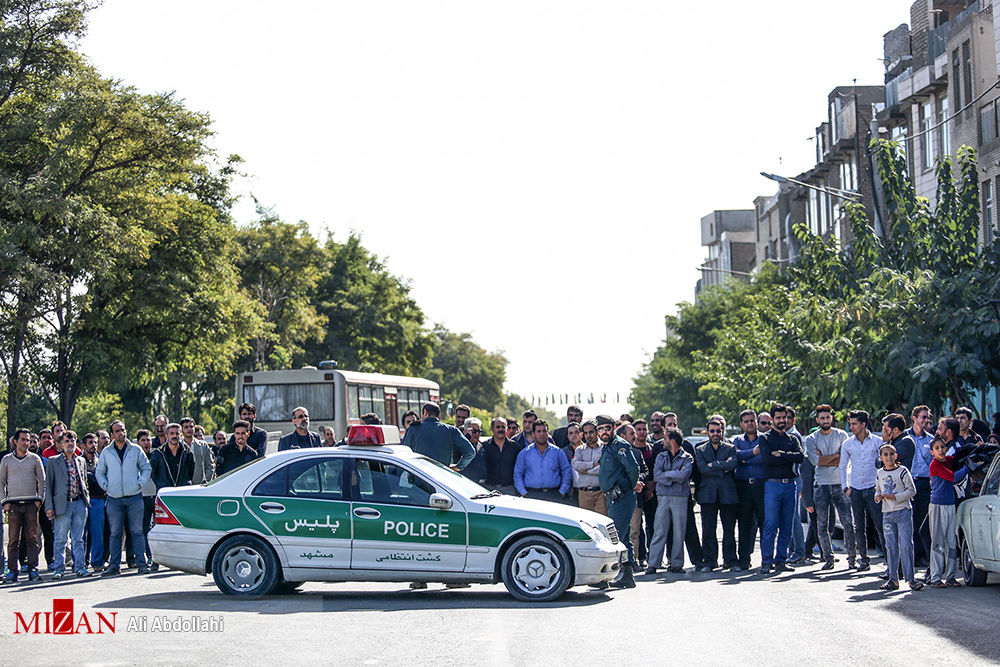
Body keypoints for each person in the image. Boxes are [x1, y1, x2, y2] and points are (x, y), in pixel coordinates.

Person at [804, 404, 857, 570]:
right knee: (822, 525)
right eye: (822, 418)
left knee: (848, 523)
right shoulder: (812, 439)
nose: (825, 420)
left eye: (827, 417)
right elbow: (815, 461)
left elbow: (845, 459)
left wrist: (825, 458)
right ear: (817, 420)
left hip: (840, 484)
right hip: (821, 485)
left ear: (832, 418)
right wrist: (835, 457)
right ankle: (828, 559)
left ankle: (852, 558)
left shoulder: (842, 435)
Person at [96, 420, 152, 577]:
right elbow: (99, 472)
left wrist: (140, 483)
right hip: (114, 498)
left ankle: (141, 564)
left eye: (123, 430)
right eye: (118, 431)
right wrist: (106, 486)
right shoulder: (106, 452)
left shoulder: (135, 449)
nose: (121, 433)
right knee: (115, 533)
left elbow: (146, 468)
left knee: (137, 531)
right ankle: (114, 566)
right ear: (112, 434)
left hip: (134, 497)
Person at [758, 403, 804, 575]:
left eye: (784, 417)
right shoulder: (765, 438)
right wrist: (784, 457)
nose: (782, 420)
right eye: (778, 418)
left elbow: (800, 457)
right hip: (773, 484)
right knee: (770, 524)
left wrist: (782, 454)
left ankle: (781, 560)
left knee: (787, 525)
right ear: (772, 420)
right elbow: (767, 460)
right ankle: (766, 561)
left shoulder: (793, 439)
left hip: (790, 485)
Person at [598, 414, 641, 588]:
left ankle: (605, 577)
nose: (604, 432)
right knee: (623, 536)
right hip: (612, 497)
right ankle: (628, 575)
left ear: (613, 428)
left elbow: (633, 468)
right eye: (600, 429)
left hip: (622, 496)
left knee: (612, 536)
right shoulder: (606, 447)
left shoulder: (620, 445)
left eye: (607, 428)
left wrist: (628, 487)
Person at [839, 409, 884, 573]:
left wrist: (881, 488)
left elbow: (884, 464)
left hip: (873, 488)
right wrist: (845, 486)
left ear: (863, 424)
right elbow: (842, 466)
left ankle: (888, 559)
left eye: (854, 424)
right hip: (856, 488)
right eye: (850, 424)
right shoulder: (848, 443)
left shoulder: (877, 442)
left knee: (880, 524)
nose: (851, 427)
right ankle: (863, 559)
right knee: (859, 526)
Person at [44, 430, 91, 580]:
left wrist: (86, 500)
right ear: (61, 444)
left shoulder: (81, 460)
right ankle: (59, 568)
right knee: (60, 539)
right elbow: (49, 486)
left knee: (79, 539)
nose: (70, 444)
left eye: (72, 441)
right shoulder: (53, 461)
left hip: (79, 503)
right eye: (66, 442)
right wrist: (49, 506)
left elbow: (84, 481)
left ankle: (80, 567)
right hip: (62, 505)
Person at [647, 428, 694, 575]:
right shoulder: (661, 456)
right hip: (663, 497)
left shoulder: (687, 457)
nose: (663, 441)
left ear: (673, 441)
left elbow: (684, 475)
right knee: (659, 530)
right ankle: (653, 563)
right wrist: (673, 477)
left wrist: (667, 476)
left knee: (679, 531)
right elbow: (657, 475)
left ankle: (677, 563)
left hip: (680, 498)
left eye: (666, 438)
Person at [694, 418, 739, 572]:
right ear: (707, 432)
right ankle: (710, 560)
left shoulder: (731, 448)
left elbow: (732, 465)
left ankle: (730, 560)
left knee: (729, 529)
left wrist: (713, 464)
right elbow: (702, 469)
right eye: (712, 431)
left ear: (722, 431)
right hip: (707, 494)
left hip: (728, 493)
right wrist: (722, 466)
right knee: (708, 529)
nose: (715, 434)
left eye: (718, 431)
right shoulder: (700, 449)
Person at [874, 443, 920, 591]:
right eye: (885, 455)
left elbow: (911, 490)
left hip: (903, 510)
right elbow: (877, 488)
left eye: (891, 454)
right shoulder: (879, 473)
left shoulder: (902, 471)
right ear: (881, 458)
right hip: (887, 514)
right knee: (891, 546)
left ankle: (910, 578)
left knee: (906, 545)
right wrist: (878, 497)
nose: (888, 457)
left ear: (896, 456)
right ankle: (893, 579)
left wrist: (894, 497)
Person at [660, 412, 704, 568]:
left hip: (684, 494)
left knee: (689, 527)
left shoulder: (687, 446)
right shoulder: (660, 446)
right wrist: (672, 476)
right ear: (663, 426)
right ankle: (672, 559)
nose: (671, 426)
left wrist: (696, 490)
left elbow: (692, 471)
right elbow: (657, 473)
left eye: (674, 424)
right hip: (665, 494)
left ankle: (698, 560)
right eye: (668, 424)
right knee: (669, 529)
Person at [1, 428, 45, 582]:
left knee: (32, 537)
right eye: (23, 440)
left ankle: (33, 568)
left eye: (28, 440)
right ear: (15, 442)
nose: (26, 443)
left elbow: (42, 480)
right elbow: (1, 482)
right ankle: (13, 570)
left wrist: (39, 499)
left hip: (31, 504)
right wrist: (4, 501)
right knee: (13, 539)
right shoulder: (6, 460)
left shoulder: (35, 459)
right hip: (13, 505)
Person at [927, 430, 968, 588]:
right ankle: (936, 577)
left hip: (950, 504)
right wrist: (968, 468)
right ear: (932, 452)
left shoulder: (947, 460)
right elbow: (952, 477)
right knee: (938, 542)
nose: (941, 450)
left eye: (943, 447)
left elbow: (958, 457)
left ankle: (950, 576)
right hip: (938, 506)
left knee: (951, 540)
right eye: (937, 448)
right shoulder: (935, 465)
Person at [733, 409, 766, 571]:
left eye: (752, 420)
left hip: (762, 486)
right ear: (741, 424)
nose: (749, 424)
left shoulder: (765, 439)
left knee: (764, 523)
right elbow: (736, 457)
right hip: (743, 487)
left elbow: (765, 458)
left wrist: (746, 458)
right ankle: (744, 559)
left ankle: (767, 559)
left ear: (756, 422)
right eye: (746, 421)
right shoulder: (737, 440)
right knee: (744, 524)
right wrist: (753, 452)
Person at [401, 402, 475, 470]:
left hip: (420, 477)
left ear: (425, 412)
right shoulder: (451, 430)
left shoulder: (413, 429)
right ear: (439, 415)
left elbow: (403, 454)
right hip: (442, 478)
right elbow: (470, 453)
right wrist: (457, 467)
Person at [513, 420, 572, 503]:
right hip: (531, 495)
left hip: (554, 495)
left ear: (548, 433)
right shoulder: (524, 453)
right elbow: (517, 474)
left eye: (544, 431)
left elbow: (566, 472)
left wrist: (562, 492)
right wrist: (524, 493)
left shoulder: (558, 452)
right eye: (539, 431)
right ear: (533, 434)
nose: (542, 434)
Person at [907, 405, 934, 569]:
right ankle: (910, 555)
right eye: (923, 417)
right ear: (914, 418)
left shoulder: (931, 440)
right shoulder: (905, 437)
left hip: (924, 483)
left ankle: (921, 555)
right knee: (908, 520)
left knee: (922, 520)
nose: (926, 420)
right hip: (908, 482)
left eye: (927, 418)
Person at [82, 432, 107, 571]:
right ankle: (81, 562)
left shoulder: (101, 460)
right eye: (90, 443)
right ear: (84, 445)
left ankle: (97, 562)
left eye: (95, 443)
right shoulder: (79, 461)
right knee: (82, 534)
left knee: (98, 533)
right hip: (83, 501)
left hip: (98, 500)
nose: (93, 446)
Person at [135, 430, 158, 571]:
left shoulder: (156, 455)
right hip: (141, 496)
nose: (146, 443)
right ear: (138, 442)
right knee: (144, 528)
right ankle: (147, 555)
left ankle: (156, 558)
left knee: (157, 528)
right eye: (143, 440)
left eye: (148, 440)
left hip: (156, 496)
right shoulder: (135, 456)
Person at [572, 420, 605, 514]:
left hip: (600, 492)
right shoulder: (580, 449)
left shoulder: (604, 448)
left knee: (601, 521)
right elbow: (575, 465)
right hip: (583, 493)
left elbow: (603, 468)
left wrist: (586, 471)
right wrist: (592, 464)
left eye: (591, 432)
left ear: (597, 432)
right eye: (586, 433)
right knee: (586, 524)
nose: (588, 435)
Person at [483, 417, 523, 495]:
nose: (501, 429)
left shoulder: (515, 447)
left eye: (503, 427)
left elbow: (520, 470)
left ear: (506, 428)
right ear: (492, 429)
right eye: (498, 427)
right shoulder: (484, 447)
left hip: (510, 490)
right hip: (488, 489)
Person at [150, 424, 195, 488]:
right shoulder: (158, 453)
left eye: (177, 433)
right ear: (166, 436)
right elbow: (153, 473)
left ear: (180, 435)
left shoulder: (188, 453)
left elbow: (191, 472)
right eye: (171, 433)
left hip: (184, 490)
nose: (174, 436)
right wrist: (160, 484)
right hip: (165, 491)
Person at [180, 417, 216, 484]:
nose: (189, 429)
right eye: (186, 427)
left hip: (200, 486)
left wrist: (206, 482)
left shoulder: (203, 445)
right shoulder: (178, 446)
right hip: (182, 486)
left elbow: (210, 466)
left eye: (191, 426)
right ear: (181, 429)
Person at [460, 419, 487, 485]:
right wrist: (467, 436)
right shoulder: (460, 444)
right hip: (463, 484)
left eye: (479, 431)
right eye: (473, 431)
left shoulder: (481, 446)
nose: (477, 434)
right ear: (465, 431)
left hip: (478, 485)